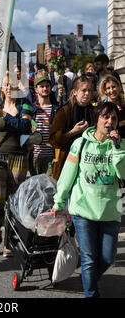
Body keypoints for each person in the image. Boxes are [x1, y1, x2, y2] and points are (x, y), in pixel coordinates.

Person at [51, 102, 125, 298]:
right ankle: (91, 293)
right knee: (89, 258)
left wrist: (117, 148)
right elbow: (67, 174)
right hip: (83, 208)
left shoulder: (121, 145)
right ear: (97, 119)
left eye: (114, 119)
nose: (109, 122)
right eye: (105, 117)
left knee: (108, 257)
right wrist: (58, 203)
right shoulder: (80, 143)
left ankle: (88, 277)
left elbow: (123, 173)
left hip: (110, 209)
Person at [0, 74, 32, 256]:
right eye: (5, 85)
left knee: (13, 201)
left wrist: (6, 116)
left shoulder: (24, 105)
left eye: (12, 85)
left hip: (18, 157)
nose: (9, 88)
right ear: (2, 88)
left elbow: (25, 127)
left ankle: (9, 240)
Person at [49, 75, 95, 180]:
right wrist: (72, 132)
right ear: (74, 92)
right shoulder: (64, 111)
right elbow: (53, 140)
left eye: (89, 91)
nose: (87, 93)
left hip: (90, 163)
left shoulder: (95, 112)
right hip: (67, 163)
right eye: (83, 90)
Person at [30, 72, 59, 175]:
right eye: (41, 86)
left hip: (51, 156)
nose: (45, 88)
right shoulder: (32, 109)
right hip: (35, 156)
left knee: (48, 187)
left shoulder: (56, 109)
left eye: (47, 86)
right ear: (36, 89)